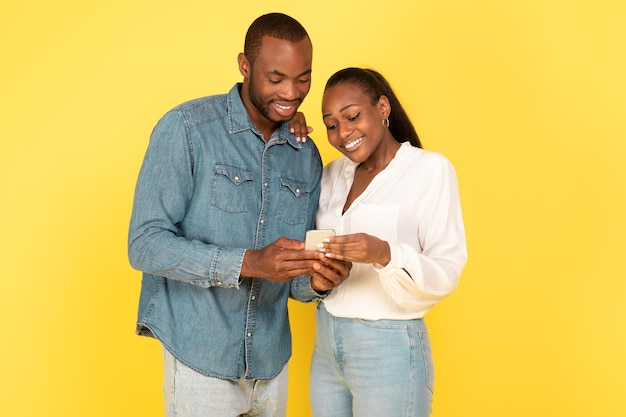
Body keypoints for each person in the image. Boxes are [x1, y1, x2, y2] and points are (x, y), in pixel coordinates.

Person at [127, 13, 351, 417]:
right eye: (276, 77)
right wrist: (250, 262)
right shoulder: (187, 129)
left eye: (303, 78)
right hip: (200, 358)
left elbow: (296, 285)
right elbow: (144, 244)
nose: (291, 92)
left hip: (272, 364)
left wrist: (317, 282)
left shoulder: (306, 156)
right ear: (245, 66)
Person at [309, 67, 468, 417]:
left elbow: (448, 269)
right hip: (326, 345)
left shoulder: (429, 171)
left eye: (352, 116)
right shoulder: (332, 174)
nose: (342, 132)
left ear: (382, 108)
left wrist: (384, 253)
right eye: (331, 124)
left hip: (389, 349)